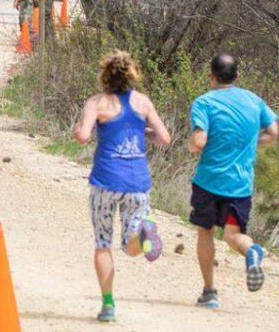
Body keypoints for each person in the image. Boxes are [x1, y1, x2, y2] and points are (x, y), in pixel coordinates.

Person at [71, 50, 171, 322]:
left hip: (105, 180)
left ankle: (108, 305)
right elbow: (164, 138)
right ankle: (143, 234)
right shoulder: (143, 102)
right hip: (137, 182)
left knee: (103, 243)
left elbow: (82, 136)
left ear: (105, 74)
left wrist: (79, 129)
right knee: (130, 246)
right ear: (132, 74)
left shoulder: (96, 103)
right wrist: (142, 132)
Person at [186, 53, 277, 308]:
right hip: (240, 186)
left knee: (205, 232)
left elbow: (198, 142)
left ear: (211, 76)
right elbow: (275, 132)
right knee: (233, 235)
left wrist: (192, 145)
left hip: (209, 182)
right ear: (237, 75)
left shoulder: (204, 103)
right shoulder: (254, 101)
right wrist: (254, 142)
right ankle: (252, 251)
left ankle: (209, 292)